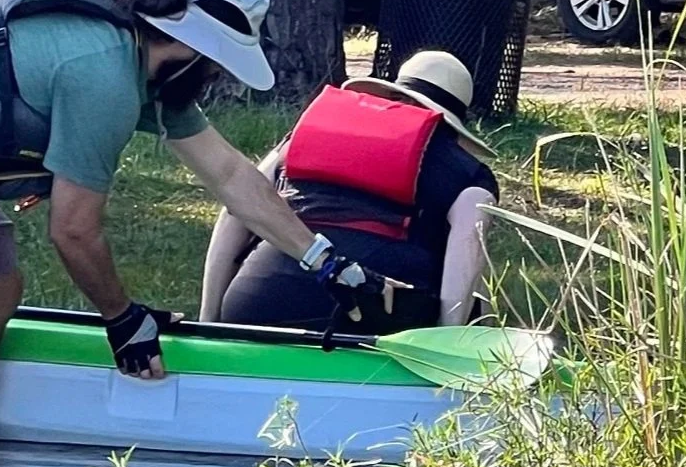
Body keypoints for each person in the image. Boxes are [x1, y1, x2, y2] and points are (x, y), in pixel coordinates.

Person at [0, 0, 374, 460]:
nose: (216, 76)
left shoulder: (137, 60)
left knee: (0, 289)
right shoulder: (105, 74)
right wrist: (122, 319)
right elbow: (74, 231)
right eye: (216, 65)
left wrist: (326, 261)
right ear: (191, 49)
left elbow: (231, 175)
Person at [200, 50, 499, 336]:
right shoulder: (466, 172)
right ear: (451, 123)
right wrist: (447, 337)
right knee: (477, 295)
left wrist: (209, 320)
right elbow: (469, 244)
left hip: (257, 300)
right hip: (376, 314)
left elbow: (236, 209)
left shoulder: (303, 139)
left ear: (392, 97)